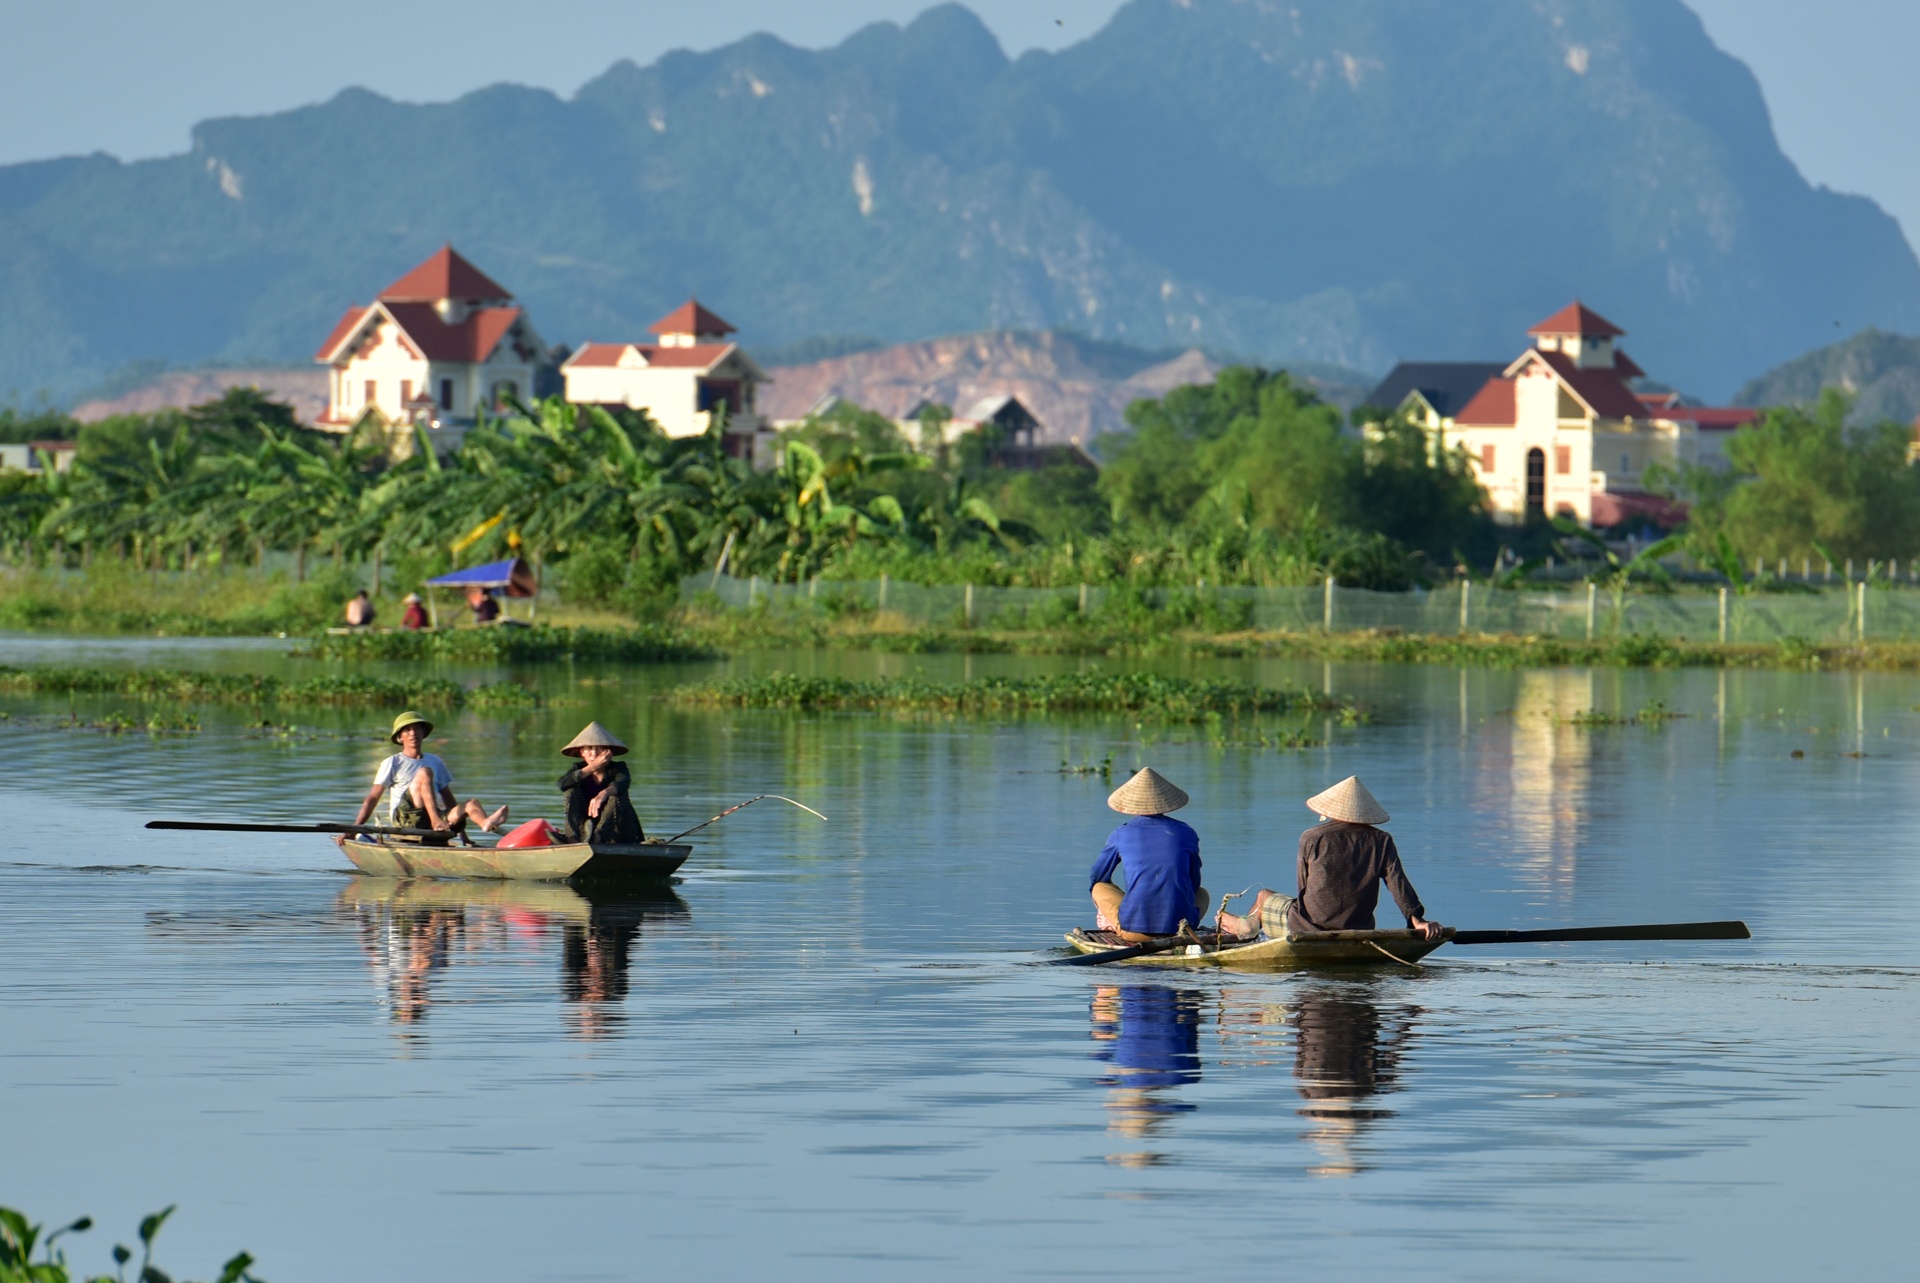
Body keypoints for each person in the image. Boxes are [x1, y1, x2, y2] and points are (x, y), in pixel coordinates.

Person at [1217, 776, 1443, 941]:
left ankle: (1247, 927)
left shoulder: (1312, 837)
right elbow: (1397, 884)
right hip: (1358, 928)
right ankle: (1249, 926)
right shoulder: (1382, 840)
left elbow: (1303, 887)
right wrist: (1417, 919)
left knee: (1264, 895)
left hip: (1308, 927)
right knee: (1273, 898)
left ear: (1331, 810)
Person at [341, 711, 508, 845]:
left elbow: (448, 799)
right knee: (424, 773)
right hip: (407, 818)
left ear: (423, 733)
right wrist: (354, 828)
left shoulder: (435, 760)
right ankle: (435, 819)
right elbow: (373, 798)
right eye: (407, 730)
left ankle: (485, 823)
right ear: (400, 737)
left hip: (431, 817)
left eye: (417, 729)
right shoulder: (393, 762)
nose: (413, 733)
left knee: (471, 804)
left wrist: (463, 837)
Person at [1088, 767, 1208, 942]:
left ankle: (1114, 922)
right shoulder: (1187, 832)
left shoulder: (1121, 833)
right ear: (1166, 802)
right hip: (1181, 928)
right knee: (1203, 893)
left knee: (1099, 887)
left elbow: (1098, 876)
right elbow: (1194, 882)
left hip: (1135, 933)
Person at [558, 722, 644, 844]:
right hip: (586, 831)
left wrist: (603, 794)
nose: (594, 753)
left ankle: (597, 837)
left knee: (617, 796)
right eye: (589, 748)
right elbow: (562, 784)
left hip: (618, 830)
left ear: (608, 752)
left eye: (599, 748)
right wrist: (593, 767)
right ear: (582, 752)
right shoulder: (579, 769)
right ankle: (572, 839)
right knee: (570, 792)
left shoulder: (619, 768)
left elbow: (622, 784)